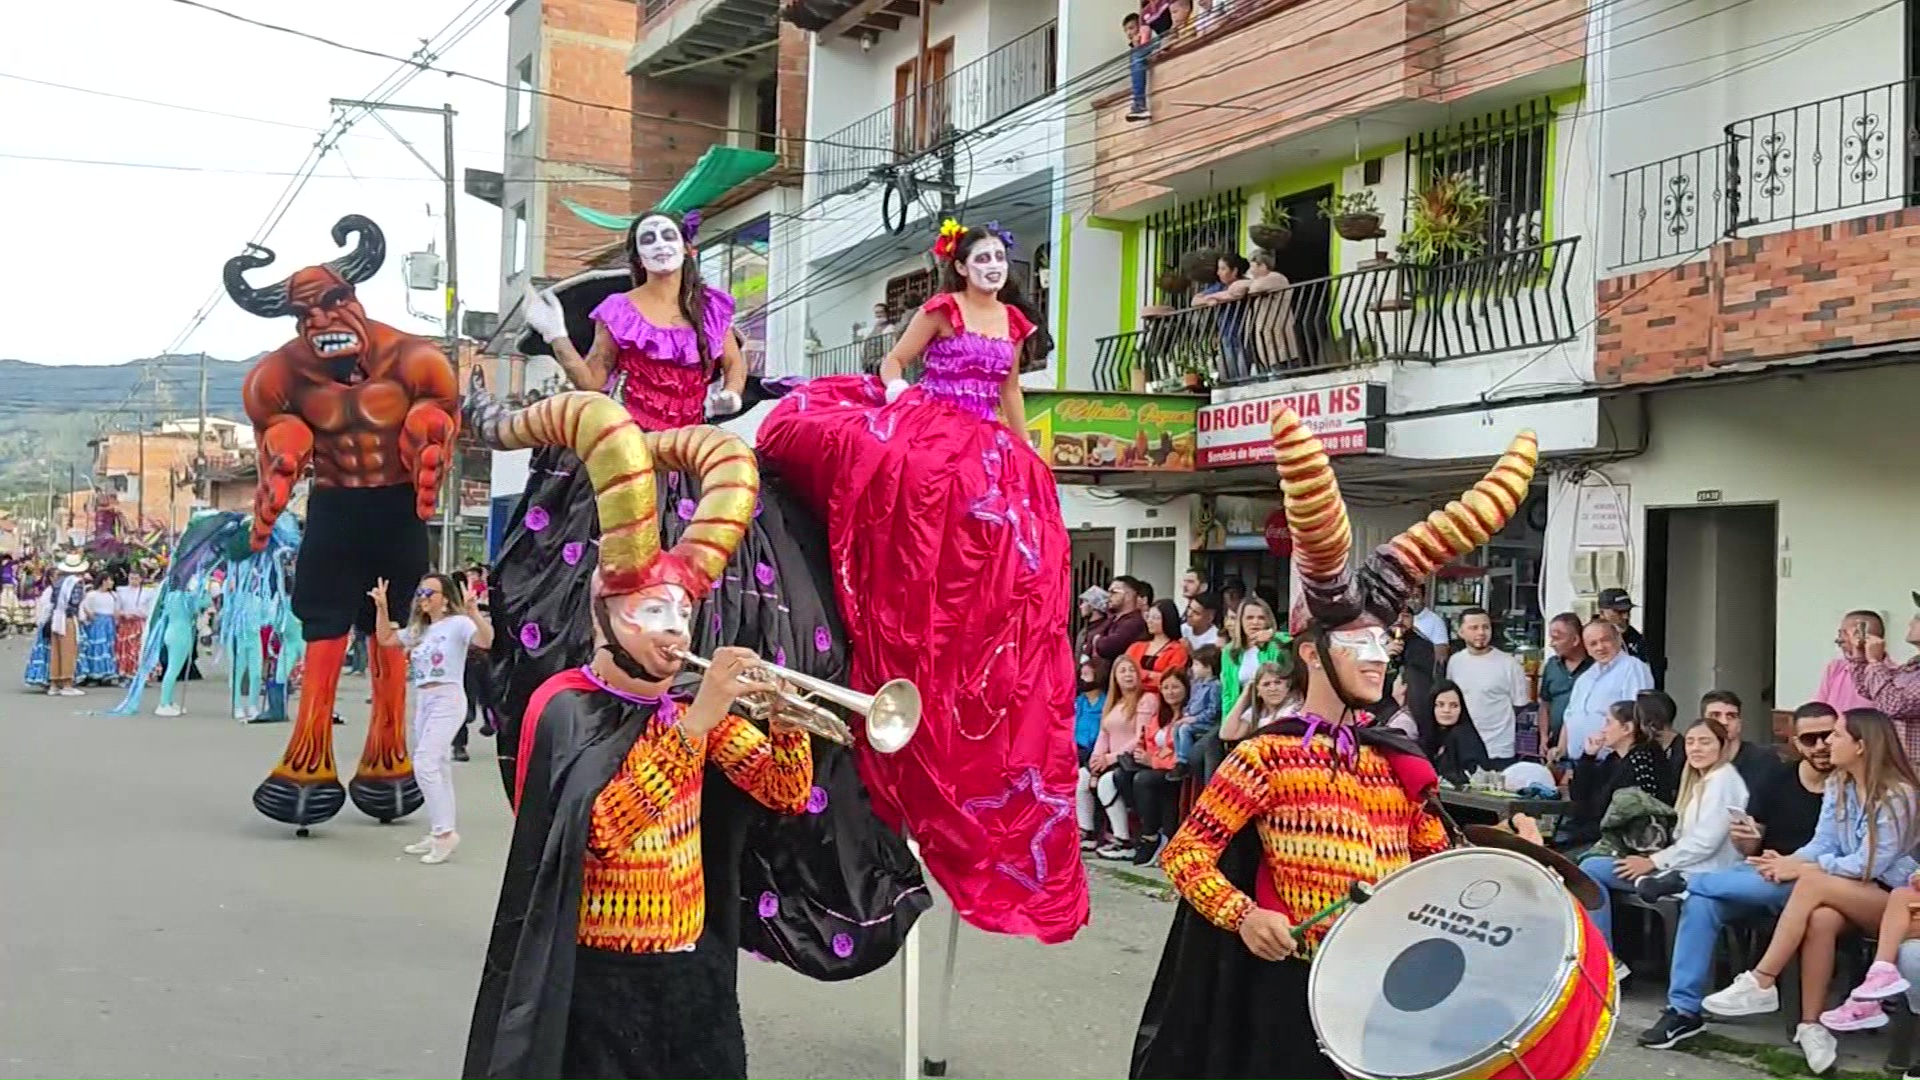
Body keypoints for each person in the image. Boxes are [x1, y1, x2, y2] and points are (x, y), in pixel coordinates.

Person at [1130, 407, 1537, 1080]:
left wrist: (1512, 863)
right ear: (1314, 654)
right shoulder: (1265, 753)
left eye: (1386, 641)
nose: (1380, 658)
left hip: (1385, 996)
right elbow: (1187, 854)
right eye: (1361, 644)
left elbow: (1435, 872)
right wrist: (1245, 914)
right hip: (1293, 997)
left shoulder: (1396, 763)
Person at [756, 218, 1086, 943]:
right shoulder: (939, 312)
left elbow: (1010, 399)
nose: (995, 267)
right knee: (915, 515)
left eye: (1002, 258)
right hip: (932, 428)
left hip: (986, 442)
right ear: (960, 266)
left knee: (1013, 549)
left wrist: (1028, 455)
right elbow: (896, 365)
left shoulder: (1014, 322)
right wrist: (902, 399)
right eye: (984, 258)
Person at [1704, 708, 1920, 1075]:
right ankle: (1811, 1025)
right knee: (1820, 917)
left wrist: (1802, 868)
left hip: (1894, 900)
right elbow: (1823, 842)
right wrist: (1788, 860)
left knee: (1812, 882)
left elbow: (1871, 865)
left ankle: (1762, 979)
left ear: (1862, 746)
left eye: (1836, 735)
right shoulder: (1840, 784)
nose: (1827, 743)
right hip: (1851, 890)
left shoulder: (1898, 794)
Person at [1639, 702, 1838, 1050]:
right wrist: (1747, 842)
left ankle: (1685, 881)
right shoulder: (1779, 778)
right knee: (1702, 904)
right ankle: (1684, 1011)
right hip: (1761, 876)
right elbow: (1753, 842)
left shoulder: (1846, 784)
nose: (1821, 745)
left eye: (1828, 736)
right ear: (1795, 741)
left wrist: (1793, 864)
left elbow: (1843, 848)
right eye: (1811, 738)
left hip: (1815, 883)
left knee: (1707, 889)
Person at [1578, 718, 1748, 952]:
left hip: (1699, 873)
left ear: (1722, 746)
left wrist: (1651, 862)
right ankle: (1608, 952)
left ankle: (1604, 958)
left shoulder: (1722, 782)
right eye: (1690, 742)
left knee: (1589, 871)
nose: (1696, 748)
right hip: (1679, 865)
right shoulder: (1702, 781)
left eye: (1705, 742)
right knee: (1592, 863)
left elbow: (1705, 843)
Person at [370, 571, 493, 864]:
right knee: (439, 765)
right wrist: (382, 608)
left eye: (430, 594)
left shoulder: (458, 624)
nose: (423, 599)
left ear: (446, 600)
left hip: (447, 697)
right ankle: (441, 829)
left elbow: (486, 641)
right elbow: (386, 638)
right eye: (421, 593)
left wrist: (474, 612)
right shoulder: (421, 629)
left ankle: (444, 834)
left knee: (425, 763)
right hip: (425, 698)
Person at [1560, 700, 1673, 851]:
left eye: (1608, 723)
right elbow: (1580, 797)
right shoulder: (1613, 759)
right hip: (1593, 834)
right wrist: (1588, 757)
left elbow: (1612, 813)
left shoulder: (1643, 762)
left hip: (1621, 844)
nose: (1603, 729)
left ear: (1627, 728)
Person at [1083, 655, 1151, 859]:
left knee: (1106, 782)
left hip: (1129, 760)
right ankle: (1087, 831)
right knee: (1081, 778)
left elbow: (1141, 735)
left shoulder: (1146, 699)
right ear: (1115, 677)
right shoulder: (1113, 703)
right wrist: (1097, 759)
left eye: (1131, 670)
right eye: (1123, 671)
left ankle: (1123, 839)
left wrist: (1110, 758)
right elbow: (1104, 734)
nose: (1128, 675)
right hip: (1110, 759)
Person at [1560, 619, 1655, 763]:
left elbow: (1636, 715)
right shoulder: (1585, 678)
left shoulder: (1632, 668)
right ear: (1586, 648)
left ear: (1618, 639)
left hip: (1613, 761)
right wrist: (1561, 751)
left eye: (1605, 640)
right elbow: (1570, 717)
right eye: (1593, 643)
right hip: (1581, 761)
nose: (1600, 647)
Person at [1444, 607, 1530, 764]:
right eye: (1474, 628)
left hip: (1498, 749)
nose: (1481, 632)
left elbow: (1520, 705)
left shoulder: (1509, 664)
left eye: (1485, 627)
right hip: (1463, 746)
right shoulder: (1455, 661)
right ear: (1461, 632)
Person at [1841, 598, 1920, 765]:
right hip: (1900, 765)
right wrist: (1860, 656)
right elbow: (1868, 690)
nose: (1911, 622)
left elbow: (1895, 706)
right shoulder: (1913, 667)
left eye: (1918, 617)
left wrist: (1875, 662)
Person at [1127, 669, 1187, 864]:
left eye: (1176, 687)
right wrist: (1141, 754)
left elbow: (1179, 755)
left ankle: (1150, 836)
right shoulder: (1160, 716)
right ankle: (1138, 834)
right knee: (1121, 776)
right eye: (1166, 687)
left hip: (1176, 771)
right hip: (1155, 765)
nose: (1170, 692)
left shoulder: (1189, 717)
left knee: (1144, 780)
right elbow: (1147, 741)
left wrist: (1153, 761)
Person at [1218, 596, 1284, 740]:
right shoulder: (1229, 652)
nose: (1255, 622)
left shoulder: (1275, 644)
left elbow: (1295, 639)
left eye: (1261, 618)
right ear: (1240, 621)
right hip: (1243, 711)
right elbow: (1228, 693)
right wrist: (1227, 720)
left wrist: (1273, 635)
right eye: (1249, 618)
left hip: (1271, 709)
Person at [1539, 612, 1591, 755]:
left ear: (1575, 640)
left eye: (1556, 638)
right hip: (1554, 746)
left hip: (1586, 746)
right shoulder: (1551, 665)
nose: (1551, 644)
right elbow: (1545, 704)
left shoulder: (1595, 668)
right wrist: (1543, 737)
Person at [1818, 610, 1888, 714]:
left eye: (1845, 633)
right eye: (1840, 633)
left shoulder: (1893, 673)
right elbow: (1819, 706)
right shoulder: (1836, 667)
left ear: (1864, 637)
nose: (1839, 639)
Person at [1424, 680, 1490, 785]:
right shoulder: (1429, 736)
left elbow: (1475, 776)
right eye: (1440, 705)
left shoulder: (1464, 735)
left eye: (1454, 705)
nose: (1446, 710)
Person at [42, 553, 89, 697]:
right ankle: (67, 683)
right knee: (69, 650)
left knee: (56, 651)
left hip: (56, 617)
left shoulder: (58, 582)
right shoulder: (77, 583)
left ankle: (54, 683)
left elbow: (53, 600)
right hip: (68, 618)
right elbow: (74, 602)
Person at [1171, 645, 1222, 779]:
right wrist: (1186, 714)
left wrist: (1195, 719)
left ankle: (1185, 762)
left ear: (1208, 668)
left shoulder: (1215, 686)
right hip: (1193, 718)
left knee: (1185, 729)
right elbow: (1191, 703)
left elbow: (1213, 710)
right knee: (1177, 727)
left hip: (1206, 723)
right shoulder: (1197, 684)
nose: (1193, 668)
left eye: (1197, 664)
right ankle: (1179, 760)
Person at [1127, 598, 1191, 694]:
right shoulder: (1136, 646)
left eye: (1156, 618)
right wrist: (1152, 675)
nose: (1150, 621)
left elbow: (1171, 680)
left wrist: (1142, 675)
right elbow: (1124, 673)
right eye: (1148, 616)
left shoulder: (1177, 649)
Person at [1092, 576, 1151, 661]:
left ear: (1128, 596)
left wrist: (1097, 640)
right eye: (1108, 592)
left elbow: (1108, 646)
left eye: (1113, 592)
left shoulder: (1134, 622)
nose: (1109, 596)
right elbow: (1092, 639)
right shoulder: (1113, 620)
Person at [76, 573, 120, 687]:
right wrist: (89, 615)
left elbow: (116, 610)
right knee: (96, 648)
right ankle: (93, 675)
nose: (112, 583)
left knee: (108, 648)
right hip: (97, 623)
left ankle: (107, 674)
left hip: (109, 623)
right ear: (103, 581)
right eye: (110, 580)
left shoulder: (114, 595)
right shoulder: (92, 594)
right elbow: (84, 606)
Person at [113, 568, 157, 682]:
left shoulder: (148, 592)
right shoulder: (121, 591)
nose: (133, 581)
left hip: (139, 623)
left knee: (139, 649)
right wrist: (123, 614)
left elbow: (150, 609)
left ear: (141, 579)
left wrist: (140, 615)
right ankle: (125, 673)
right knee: (125, 648)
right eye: (131, 578)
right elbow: (117, 608)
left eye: (136, 578)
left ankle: (141, 674)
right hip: (126, 623)